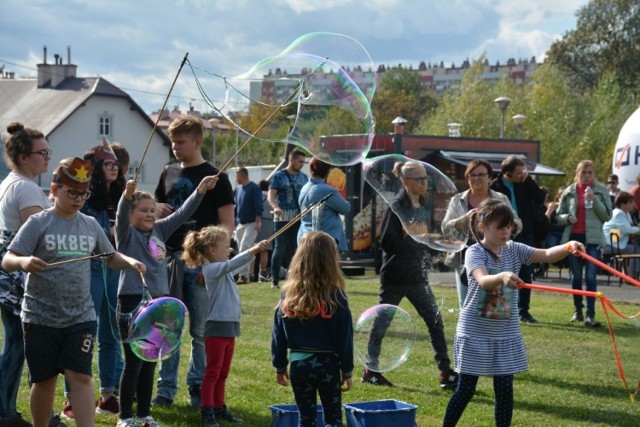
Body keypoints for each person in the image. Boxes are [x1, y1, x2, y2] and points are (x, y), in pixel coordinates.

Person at [1, 157, 146, 427]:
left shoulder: (90, 224)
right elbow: (8, 259)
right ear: (54, 191)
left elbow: (110, 256)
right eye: (73, 193)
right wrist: (24, 262)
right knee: (44, 381)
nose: (79, 199)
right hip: (40, 316)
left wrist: (129, 262)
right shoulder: (38, 222)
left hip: (80, 316)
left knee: (81, 376)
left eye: (84, 193)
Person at [442, 198, 584, 427]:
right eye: (500, 227)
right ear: (483, 226)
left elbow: (546, 254)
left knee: (505, 391)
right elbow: (483, 280)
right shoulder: (474, 253)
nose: (506, 232)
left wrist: (568, 247)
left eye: (509, 226)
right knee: (466, 389)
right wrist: (502, 277)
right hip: (475, 332)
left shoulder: (514, 249)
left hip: (504, 333)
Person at [114, 175, 218, 427]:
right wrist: (127, 196)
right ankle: (125, 417)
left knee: (149, 363)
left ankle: (144, 415)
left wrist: (200, 190)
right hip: (132, 303)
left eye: (152, 210)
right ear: (131, 214)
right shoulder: (126, 235)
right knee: (133, 364)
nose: (149, 214)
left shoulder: (160, 230)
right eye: (143, 210)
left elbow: (182, 213)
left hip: (158, 304)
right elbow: (119, 216)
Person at [153, 115, 235, 408]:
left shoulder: (217, 176)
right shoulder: (168, 172)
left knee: (200, 331)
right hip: (171, 261)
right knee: (169, 327)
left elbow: (227, 226)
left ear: (198, 142)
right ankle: (165, 390)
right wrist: (157, 209)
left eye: (181, 141)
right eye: (173, 141)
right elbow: (153, 216)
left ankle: (198, 388)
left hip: (202, 263)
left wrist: (211, 266)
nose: (175, 146)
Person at [362, 160, 457, 390]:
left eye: (426, 178)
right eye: (420, 179)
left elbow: (424, 241)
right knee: (382, 324)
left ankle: (446, 372)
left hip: (417, 277)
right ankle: (370, 371)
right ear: (405, 181)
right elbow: (387, 242)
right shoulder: (396, 206)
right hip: (395, 277)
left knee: (435, 322)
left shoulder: (423, 207)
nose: (425, 183)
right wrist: (422, 238)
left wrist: (439, 243)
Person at [61, 139, 127, 419]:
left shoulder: (123, 196)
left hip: (113, 269)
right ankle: (72, 399)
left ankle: (109, 395)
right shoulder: (86, 198)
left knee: (111, 332)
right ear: (96, 167)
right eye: (108, 164)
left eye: (117, 164)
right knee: (81, 332)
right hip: (89, 269)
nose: (114, 168)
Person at [181, 226, 267, 426]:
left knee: (223, 373)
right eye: (226, 246)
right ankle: (207, 410)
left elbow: (236, 264)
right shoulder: (211, 269)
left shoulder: (223, 269)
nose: (229, 250)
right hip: (216, 329)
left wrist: (254, 252)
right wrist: (253, 250)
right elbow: (233, 264)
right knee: (212, 372)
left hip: (229, 328)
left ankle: (219, 407)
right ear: (212, 250)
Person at [271, 231, 353, 427]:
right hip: (328, 366)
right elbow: (345, 337)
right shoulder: (337, 295)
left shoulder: (288, 294)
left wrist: (280, 365)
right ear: (331, 260)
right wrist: (347, 371)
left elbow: (278, 334)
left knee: (305, 419)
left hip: (299, 367)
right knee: (333, 419)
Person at [0, 122, 52, 427]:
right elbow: (38, 235)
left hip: (9, 273)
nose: (47, 157)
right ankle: (5, 412)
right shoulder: (25, 187)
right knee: (18, 347)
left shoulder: (11, 182)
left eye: (48, 151)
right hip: (18, 276)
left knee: (14, 345)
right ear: (23, 157)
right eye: (41, 152)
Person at [441, 159, 521, 307]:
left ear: (490, 177)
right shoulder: (457, 200)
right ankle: (466, 329)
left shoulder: (500, 199)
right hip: (464, 257)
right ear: (467, 178)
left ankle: (490, 330)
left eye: (481, 175)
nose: (477, 178)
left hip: (495, 257)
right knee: (465, 303)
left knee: (494, 305)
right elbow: (445, 228)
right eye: (472, 175)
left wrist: (503, 225)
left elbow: (517, 223)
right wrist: (464, 219)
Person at [555, 160, 612, 327]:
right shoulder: (569, 191)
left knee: (591, 276)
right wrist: (567, 218)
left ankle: (591, 314)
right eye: (583, 173)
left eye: (590, 172)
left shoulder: (601, 190)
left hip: (593, 240)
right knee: (577, 276)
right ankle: (578, 311)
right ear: (577, 174)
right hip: (574, 238)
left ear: (594, 173)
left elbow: (607, 216)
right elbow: (559, 216)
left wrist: (595, 200)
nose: (587, 176)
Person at [490, 155, 546, 323]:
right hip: (502, 234)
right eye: (519, 172)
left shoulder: (524, 184)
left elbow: (540, 198)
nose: (523, 174)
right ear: (507, 173)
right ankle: (499, 309)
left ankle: (524, 311)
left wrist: (528, 180)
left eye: (524, 171)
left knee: (525, 272)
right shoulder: (495, 186)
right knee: (500, 270)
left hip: (525, 232)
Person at [267, 149, 308, 289]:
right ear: (291, 160)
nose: (302, 164)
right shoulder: (279, 176)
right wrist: (275, 207)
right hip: (282, 217)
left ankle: (298, 278)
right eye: (300, 161)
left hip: (299, 217)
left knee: (298, 248)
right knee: (280, 248)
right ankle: (275, 280)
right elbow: (270, 195)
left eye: (303, 162)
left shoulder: (304, 177)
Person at [297, 157, 351, 251]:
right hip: (324, 241)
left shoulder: (304, 188)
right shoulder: (328, 190)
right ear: (328, 171)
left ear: (310, 169)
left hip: (304, 238)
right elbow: (345, 208)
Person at [233, 167, 262, 284]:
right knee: (240, 250)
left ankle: (244, 276)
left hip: (252, 222)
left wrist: (258, 221)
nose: (236, 178)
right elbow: (236, 207)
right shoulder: (238, 189)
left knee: (244, 247)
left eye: (237, 176)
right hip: (241, 223)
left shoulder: (254, 188)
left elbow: (258, 205)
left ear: (243, 175)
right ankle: (243, 275)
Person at [602, 191, 640, 279]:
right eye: (630, 202)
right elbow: (628, 229)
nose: (633, 204)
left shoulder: (625, 213)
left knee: (635, 247)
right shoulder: (618, 214)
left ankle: (631, 275)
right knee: (635, 249)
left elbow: (629, 229)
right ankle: (633, 277)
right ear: (623, 204)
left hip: (615, 242)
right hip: (609, 245)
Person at [254, 180, 273, 282]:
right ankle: (262, 273)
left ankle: (252, 273)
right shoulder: (271, 198)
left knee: (253, 248)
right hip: (269, 222)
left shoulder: (257, 197)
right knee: (265, 250)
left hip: (256, 221)